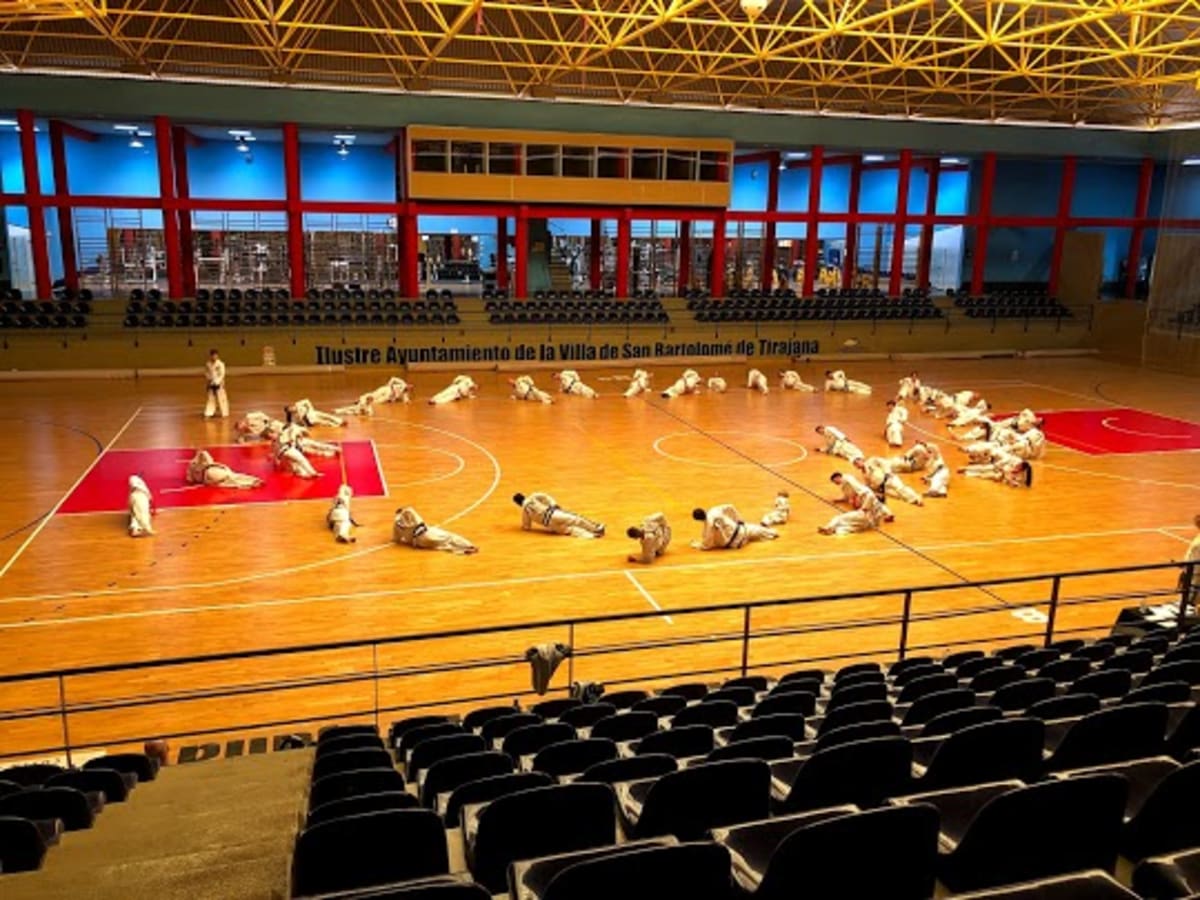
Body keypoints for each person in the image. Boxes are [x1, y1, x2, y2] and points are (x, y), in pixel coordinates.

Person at [515, 492, 605, 538]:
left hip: (549, 525)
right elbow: (545, 496)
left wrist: (523, 527)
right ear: (524, 496)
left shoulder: (524, 511)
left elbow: (526, 527)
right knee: (576, 519)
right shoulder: (533, 497)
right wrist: (553, 504)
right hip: (554, 514)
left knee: (569, 530)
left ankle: (590, 536)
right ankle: (596, 528)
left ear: (518, 504)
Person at [393, 506, 478, 554]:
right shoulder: (409, 512)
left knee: (443, 547)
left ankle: (462, 552)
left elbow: (396, 540)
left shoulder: (396, 525)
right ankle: (469, 545)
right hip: (426, 533)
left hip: (419, 543)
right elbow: (408, 510)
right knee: (450, 537)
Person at [690, 504, 778, 550]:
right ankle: (771, 533)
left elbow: (707, 545)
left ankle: (768, 536)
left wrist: (698, 545)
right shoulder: (714, 510)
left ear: (698, 520)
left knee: (756, 535)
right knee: (756, 530)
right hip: (741, 531)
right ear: (704, 510)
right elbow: (730, 506)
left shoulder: (707, 528)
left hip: (735, 544)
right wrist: (738, 519)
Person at [856, 456, 924, 507]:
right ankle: (913, 501)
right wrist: (876, 491)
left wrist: (887, 472)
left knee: (901, 488)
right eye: (856, 464)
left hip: (889, 478)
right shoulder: (864, 474)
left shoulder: (872, 461)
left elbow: (884, 463)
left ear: (861, 459)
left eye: (858, 461)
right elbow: (869, 485)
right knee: (897, 496)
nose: (858, 464)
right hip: (882, 487)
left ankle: (917, 498)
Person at [819, 489, 889, 535]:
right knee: (852, 527)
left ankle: (828, 527)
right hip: (869, 524)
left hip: (862, 515)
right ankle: (837, 531)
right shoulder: (884, 507)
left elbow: (864, 509)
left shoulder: (872, 497)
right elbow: (888, 516)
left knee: (839, 517)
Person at [186, 449, 264, 489]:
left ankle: (251, 482)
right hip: (211, 473)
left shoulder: (193, 465)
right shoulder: (194, 463)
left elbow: (190, 479)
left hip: (210, 476)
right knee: (232, 477)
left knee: (231, 481)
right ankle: (252, 481)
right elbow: (205, 454)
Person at [958, 455, 1033, 487]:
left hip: (1001, 477)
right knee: (984, 468)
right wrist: (1001, 468)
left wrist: (1009, 480)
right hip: (999, 467)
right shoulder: (1015, 460)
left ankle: (967, 473)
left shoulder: (1022, 476)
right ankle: (966, 468)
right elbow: (1004, 465)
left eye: (1019, 467)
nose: (1017, 466)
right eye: (1018, 465)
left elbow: (1014, 483)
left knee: (987, 476)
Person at [204, 349, 229, 419]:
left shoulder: (220, 364)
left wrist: (217, 382)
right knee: (211, 398)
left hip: (219, 383)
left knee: (222, 398)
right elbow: (207, 373)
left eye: (215, 355)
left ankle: (225, 413)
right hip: (211, 383)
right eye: (212, 355)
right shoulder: (208, 364)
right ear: (210, 356)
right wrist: (208, 382)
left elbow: (222, 374)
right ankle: (209, 413)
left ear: (217, 356)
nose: (214, 357)